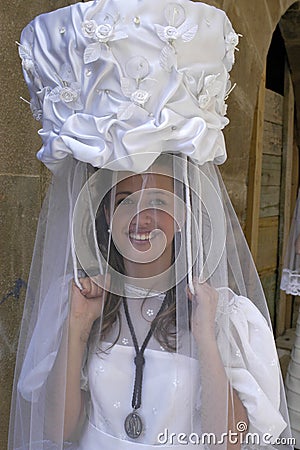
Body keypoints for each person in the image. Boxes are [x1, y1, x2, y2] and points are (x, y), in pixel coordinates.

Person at [9, 0, 293, 449]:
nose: (140, 219)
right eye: (122, 200)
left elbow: (229, 443)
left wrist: (204, 336)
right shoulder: (77, 301)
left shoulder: (224, 315)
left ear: (186, 212)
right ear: (104, 214)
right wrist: (78, 328)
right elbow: (54, 432)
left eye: (159, 200)